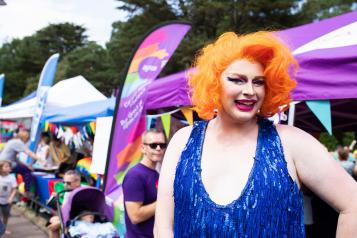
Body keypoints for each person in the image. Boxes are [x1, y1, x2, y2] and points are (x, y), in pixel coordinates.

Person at [154, 31, 357, 237]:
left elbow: (353, 204)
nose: (250, 91)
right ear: (214, 83)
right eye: (237, 80)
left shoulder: (292, 142)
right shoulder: (183, 141)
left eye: (258, 82)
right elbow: (163, 227)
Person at [122, 128, 166, 238]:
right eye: (153, 145)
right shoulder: (135, 175)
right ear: (143, 148)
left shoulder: (156, 173)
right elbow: (135, 216)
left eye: (162, 145)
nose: (158, 148)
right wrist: (165, 200)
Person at [0, 129, 38, 194]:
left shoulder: (12, 141)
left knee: (23, 168)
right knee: (27, 171)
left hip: (3, 162)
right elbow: (29, 153)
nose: (27, 140)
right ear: (24, 137)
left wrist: (27, 165)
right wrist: (40, 159)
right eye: (27, 138)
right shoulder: (19, 142)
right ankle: (27, 191)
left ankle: (19, 188)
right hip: (7, 164)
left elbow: (16, 160)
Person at [47, 170, 81, 238]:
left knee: (53, 226)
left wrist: (61, 222)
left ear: (77, 182)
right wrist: (56, 201)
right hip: (71, 217)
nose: (65, 185)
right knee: (52, 221)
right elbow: (64, 210)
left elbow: (78, 213)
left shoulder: (80, 192)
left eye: (68, 183)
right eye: (64, 182)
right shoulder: (68, 191)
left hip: (77, 219)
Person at [0, 160, 17, 235]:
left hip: (7, 200)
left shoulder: (11, 177)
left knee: (5, 216)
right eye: (6, 166)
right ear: (0, 168)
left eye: (9, 166)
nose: (8, 168)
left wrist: (11, 197)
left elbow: (14, 189)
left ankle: (4, 228)